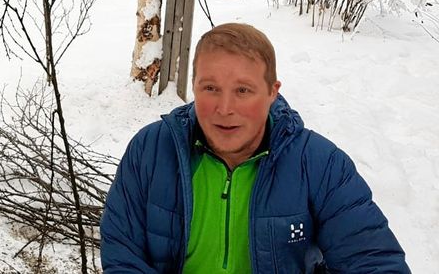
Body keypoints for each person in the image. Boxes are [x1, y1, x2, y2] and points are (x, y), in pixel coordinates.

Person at [100, 23, 409, 273]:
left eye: (243, 90)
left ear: (272, 92)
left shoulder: (320, 165)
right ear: (194, 86)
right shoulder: (151, 150)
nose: (224, 108)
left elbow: (374, 262)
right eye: (210, 88)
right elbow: (122, 254)